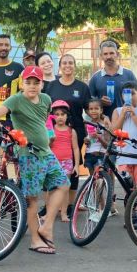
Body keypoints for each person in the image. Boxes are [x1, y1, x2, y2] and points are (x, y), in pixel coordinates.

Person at [0, 66, 69, 254]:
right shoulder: (16, 100)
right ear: (22, 84)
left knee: (63, 184)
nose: (32, 86)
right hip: (28, 154)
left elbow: (42, 121)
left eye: (36, 82)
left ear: (42, 84)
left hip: (46, 152)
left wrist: (48, 134)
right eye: (28, 82)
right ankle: (34, 240)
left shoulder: (47, 100)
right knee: (32, 199)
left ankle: (46, 226)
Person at [46, 54, 90, 210]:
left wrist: (101, 120)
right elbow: (44, 108)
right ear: (60, 66)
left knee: (73, 167)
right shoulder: (51, 86)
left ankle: (71, 205)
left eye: (71, 63)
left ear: (75, 65)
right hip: (53, 132)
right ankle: (50, 204)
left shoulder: (83, 87)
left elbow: (89, 110)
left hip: (75, 132)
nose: (67, 66)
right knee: (51, 166)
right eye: (64, 63)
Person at [110, 82, 137, 185]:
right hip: (124, 156)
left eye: (132, 93)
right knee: (127, 187)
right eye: (126, 94)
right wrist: (123, 115)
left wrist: (134, 115)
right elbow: (114, 131)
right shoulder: (118, 111)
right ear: (122, 96)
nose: (129, 97)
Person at [88, 39, 137, 119]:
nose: (108, 57)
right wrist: (100, 102)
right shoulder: (95, 77)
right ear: (101, 56)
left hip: (126, 120)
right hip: (104, 122)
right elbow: (88, 103)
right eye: (105, 54)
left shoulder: (129, 74)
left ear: (117, 54)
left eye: (111, 53)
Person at [49, 100, 80, 222]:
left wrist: (76, 165)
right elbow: (47, 147)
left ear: (67, 116)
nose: (60, 117)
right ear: (53, 116)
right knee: (51, 188)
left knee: (65, 188)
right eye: (57, 114)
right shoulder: (51, 130)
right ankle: (49, 212)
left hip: (67, 162)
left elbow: (76, 148)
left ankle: (64, 213)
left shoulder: (71, 131)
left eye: (63, 114)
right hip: (53, 162)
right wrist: (51, 140)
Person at [83, 98, 111, 175]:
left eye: (96, 108)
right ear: (88, 111)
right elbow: (87, 141)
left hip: (101, 155)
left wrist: (99, 137)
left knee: (100, 179)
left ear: (101, 110)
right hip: (89, 155)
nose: (93, 111)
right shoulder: (87, 124)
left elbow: (107, 146)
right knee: (93, 181)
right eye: (91, 109)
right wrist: (86, 140)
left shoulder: (105, 125)